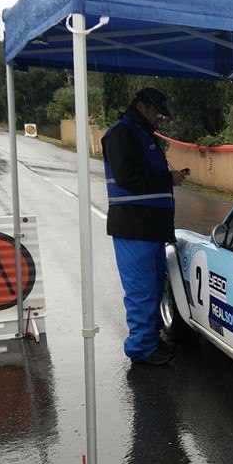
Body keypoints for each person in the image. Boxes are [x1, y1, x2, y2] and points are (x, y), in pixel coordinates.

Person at [102, 88, 188, 366]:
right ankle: (141, 348)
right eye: (157, 114)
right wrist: (169, 179)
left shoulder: (140, 134)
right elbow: (128, 177)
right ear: (142, 107)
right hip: (134, 226)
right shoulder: (122, 134)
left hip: (150, 227)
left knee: (154, 287)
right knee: (141, 291)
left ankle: (150, 339)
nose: (159, 120)